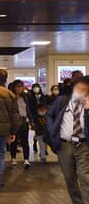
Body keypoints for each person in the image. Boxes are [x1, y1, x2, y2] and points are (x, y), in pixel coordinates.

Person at [47, 76, 89, 204]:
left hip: (84, 145)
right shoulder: (61, 101)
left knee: (85, 178)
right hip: (64, 146)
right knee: (69, 179)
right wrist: (51, 130)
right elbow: (49, 114)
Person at [9, 80, 33, 169]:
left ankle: (26, 159)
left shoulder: (25, 97)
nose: (19, 88)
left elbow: (28, 109)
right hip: (14, 121)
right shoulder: (11, 97)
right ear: (14, 87)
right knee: (14, 140)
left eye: (21, 86)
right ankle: (13, 157)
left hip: (24, 121)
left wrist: (30, 120)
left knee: (25, 140)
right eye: (17, 86)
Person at [28, 83, 47, 153]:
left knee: (43, 132)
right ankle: (35, 145)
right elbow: (30, 107)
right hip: (34, 116)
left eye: (37, 87)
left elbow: (45, 105)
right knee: (37, 132)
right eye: (34, 87)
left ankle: (44, 148)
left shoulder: (43, 96)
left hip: (42, 116)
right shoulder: (31, 97)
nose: (36, 89)